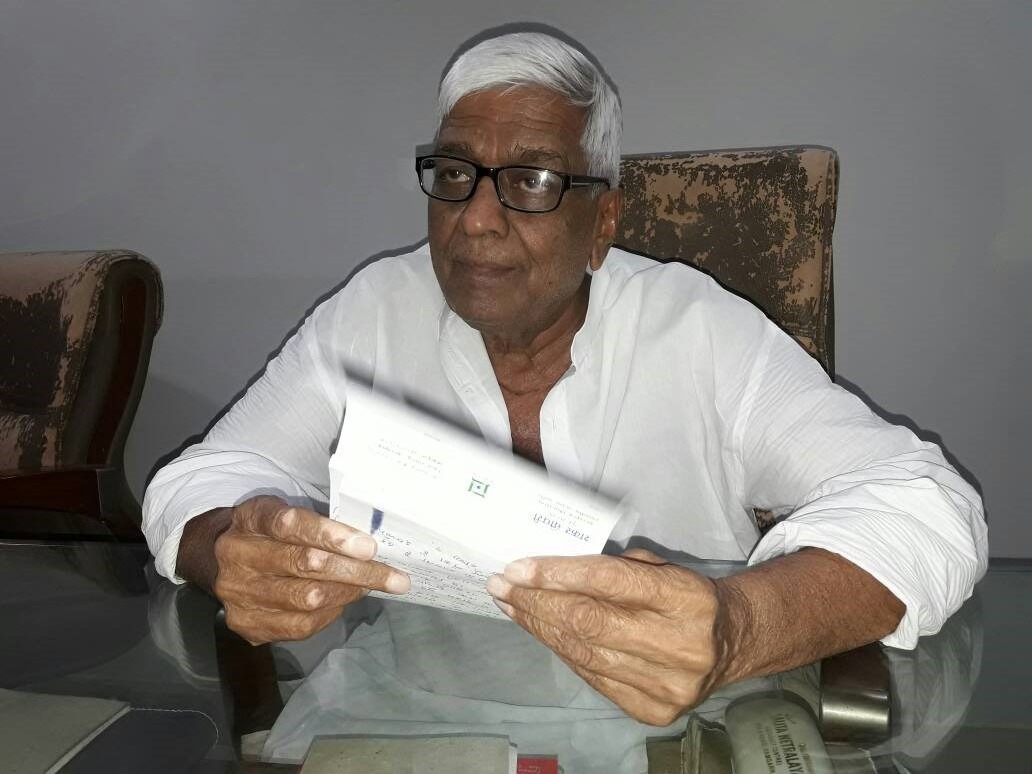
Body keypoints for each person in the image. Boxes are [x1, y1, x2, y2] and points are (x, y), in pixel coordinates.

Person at [143, 31, 987, 726]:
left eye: (533, 182)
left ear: (603, 222)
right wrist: (232, 548)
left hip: (677, 735)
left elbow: (929, 506)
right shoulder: (372, 311)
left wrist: (737, 628)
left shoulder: (698, 331)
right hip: (418, 727)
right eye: (454, 174)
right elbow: (202, 478)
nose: (476, 219)